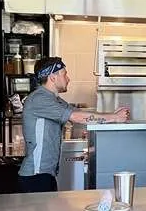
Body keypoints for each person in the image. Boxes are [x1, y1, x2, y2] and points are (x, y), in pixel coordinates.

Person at [18, 57, 130, 193]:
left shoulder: (54, 99)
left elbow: (78, 112)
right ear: (53, 77)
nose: (68, 79)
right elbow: (77, 117)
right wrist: (114, 118)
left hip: (46, 174)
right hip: (35, 176)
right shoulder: (39, 99)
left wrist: (111, 114)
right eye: (64, 74)